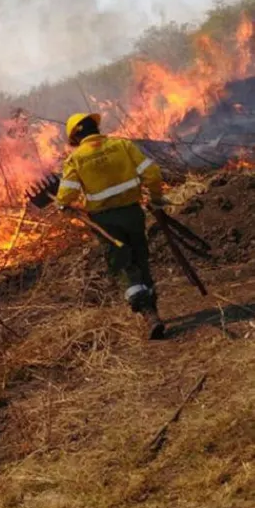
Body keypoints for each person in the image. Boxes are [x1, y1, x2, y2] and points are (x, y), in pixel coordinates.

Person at [55, 112, 169, 339]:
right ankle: (152, 306)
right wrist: (155, 198)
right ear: (95, 128)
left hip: (105, 221)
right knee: (140, 256)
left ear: (76, 138)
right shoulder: (122, 145)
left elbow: (66, 195)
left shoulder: (76, 159)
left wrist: (62, 205)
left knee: (121, 263)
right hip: (132, 213)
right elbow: (153, 172)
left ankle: (147, 312)